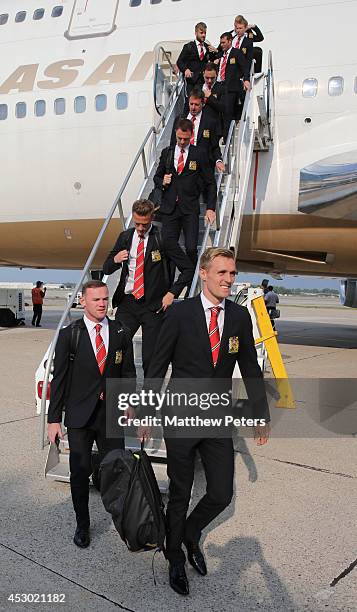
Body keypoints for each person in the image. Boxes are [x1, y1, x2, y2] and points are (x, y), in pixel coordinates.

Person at [142, 247, 270, 596]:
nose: (229, 279)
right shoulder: (180, 313)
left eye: (232, 273)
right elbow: (158, 364)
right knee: (181, 492)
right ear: (204, 273)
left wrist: (260, 413)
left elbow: (250, 368)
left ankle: (189, 532)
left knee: (221, 492)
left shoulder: (240, 317)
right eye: (222, 273)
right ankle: (175, 559)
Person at [47, 281, 136, 549]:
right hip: (79, 416)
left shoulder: (121, 331)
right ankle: (82, 524)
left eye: (105, 299)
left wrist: (130, 402)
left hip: (110, 414)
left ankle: (123, 522)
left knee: (118, 470)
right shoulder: (69, 335)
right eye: (96, 299)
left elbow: (128, 372)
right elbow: (59, 379)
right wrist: (53, 420)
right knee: (79, 472)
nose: (102, 303)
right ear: (82, 302)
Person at [102, 199, 194, 376]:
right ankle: (124, 397)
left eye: (144, 224)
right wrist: (115, 260)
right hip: (128, 303)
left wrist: (172, 293)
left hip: (154, 306)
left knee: (150, 359)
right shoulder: (125, 237)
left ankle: (149, 400)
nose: (141, 228)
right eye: (137, 223)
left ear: (152, 218)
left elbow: (188, 269)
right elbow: (106, 268)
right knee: (117, 350)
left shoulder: (163, 238)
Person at [153, 118, 217, 268]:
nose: (182, 142)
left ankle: (190, 279)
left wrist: (210, 207)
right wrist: (162, 181)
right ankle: (175, 282)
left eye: (186, 139)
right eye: (179, 138)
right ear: (175, 133)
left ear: (191, 135)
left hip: (189, 209)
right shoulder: (167, 153)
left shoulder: (199, 154)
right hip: (170, 209)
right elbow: (156, 177)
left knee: (191, 249)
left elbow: (210, 182)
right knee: (168, 248)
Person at [170, 89, 224, 174]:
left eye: (196, 105)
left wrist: (218, 160)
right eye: (191, 104)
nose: (193, 107)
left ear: (203, 104)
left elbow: (215, 146)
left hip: (202, 167)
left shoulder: (210, 122)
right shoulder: (180, 119)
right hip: (182, 163)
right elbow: (173, 143)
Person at [215, 32, 250, 140]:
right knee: (217, 111)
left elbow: (244, 67)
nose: (222, 45)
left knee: (227, 112)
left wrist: (246, 80)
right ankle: (218, 135)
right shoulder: (221, 54)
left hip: (230, 87)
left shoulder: (237, 53)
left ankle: (226, 138)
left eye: (223, 42)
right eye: (220, 42)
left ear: (230, 41)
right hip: (219, 86)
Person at [176, 22, 215, 101]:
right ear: (196, 33)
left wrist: (215, 51)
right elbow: (180, 61)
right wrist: (185, 69)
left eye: (205, 33)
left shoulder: (208, 47)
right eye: (201, 33)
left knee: (201, 101)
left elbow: (213, 61)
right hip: (191, 80)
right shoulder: (188, 46)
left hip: (203, 81)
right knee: (191, 101)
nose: (203, 35)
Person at [202, 62, 225, 134]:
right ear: (203, 74)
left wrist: (210, 97)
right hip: (200, 126)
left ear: (217, 74)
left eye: (212, 78)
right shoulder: (197, 87)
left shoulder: (222, 88)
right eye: (207, 78)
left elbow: (223, 107)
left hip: (214, 128)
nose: (209, 81)